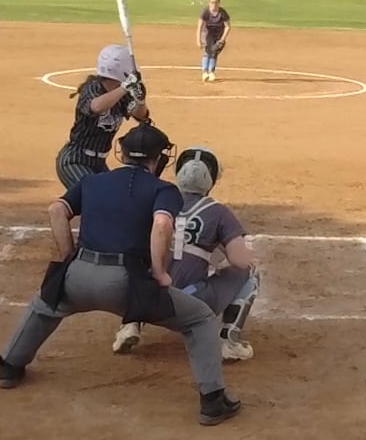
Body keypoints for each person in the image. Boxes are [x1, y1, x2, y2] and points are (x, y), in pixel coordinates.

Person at [0, 124, 243, 427]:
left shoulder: (92, 180)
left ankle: (8, 367)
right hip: (127, 286)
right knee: (200, 318)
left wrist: (67, 256)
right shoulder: (162, 189)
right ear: (159, 158)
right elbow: (162, 224)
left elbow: (57, 210)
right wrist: (160, 272)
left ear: (122, 153)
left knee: (44, 306)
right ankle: (213, 401)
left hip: (79, 276)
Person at [111, 145, 259, 363]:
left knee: (136, 259)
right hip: (189, 305)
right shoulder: (217, 212)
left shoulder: (156, 201)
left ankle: (130, 324)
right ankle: (229, 341)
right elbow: (240, 260)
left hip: (147, 301)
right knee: (250, 272)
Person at [58, 44, 150, 187]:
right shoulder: (93, 87)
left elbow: (141, 116)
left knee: (112, 195)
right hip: (75, 160)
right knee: (94, 194)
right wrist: (124, 87)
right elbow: (96, 107)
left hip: (99, 163)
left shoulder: (123, 93)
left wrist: (140, 100)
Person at [197, 0, 231, 82]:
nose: (214, 4)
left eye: (216, 2)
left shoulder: (222, 13)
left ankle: (211, 72)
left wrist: (222, 39)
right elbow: (200, 27)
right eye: (212, 2)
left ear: (219, 3)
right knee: (207, 51)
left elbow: (227, 27)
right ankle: (205, 72)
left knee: (214, 52)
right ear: (209, 3)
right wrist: (199, 40)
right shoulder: (206, 12)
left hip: (218, 35)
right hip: (207, 33)